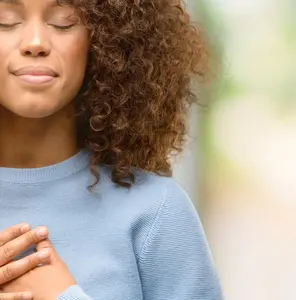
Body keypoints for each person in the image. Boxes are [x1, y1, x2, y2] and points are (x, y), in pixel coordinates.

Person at [0, 0, 223, 299]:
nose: (36, 43)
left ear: (104, 40)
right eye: (5, 21)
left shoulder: (156, 212)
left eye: (64, 22)